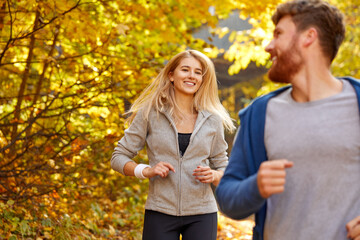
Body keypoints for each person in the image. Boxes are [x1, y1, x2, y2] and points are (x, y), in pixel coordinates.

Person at [215, 0, 360, 240]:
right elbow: (228, 198)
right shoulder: (259, 114)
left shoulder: (357, 103)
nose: (268, 46)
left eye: (278, 34)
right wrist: (256, 185)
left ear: (308, 37)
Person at [111, 49, 235, 240]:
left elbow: (225, 168)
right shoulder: (150, 113)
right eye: (185, 70)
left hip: (202, 213)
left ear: (202, 79)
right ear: (171, 75)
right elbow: (118, 157)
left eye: (197, 72)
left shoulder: (212, 119)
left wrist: (215, 174)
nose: (191, 76)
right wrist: (146, 171)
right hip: (160, 210)